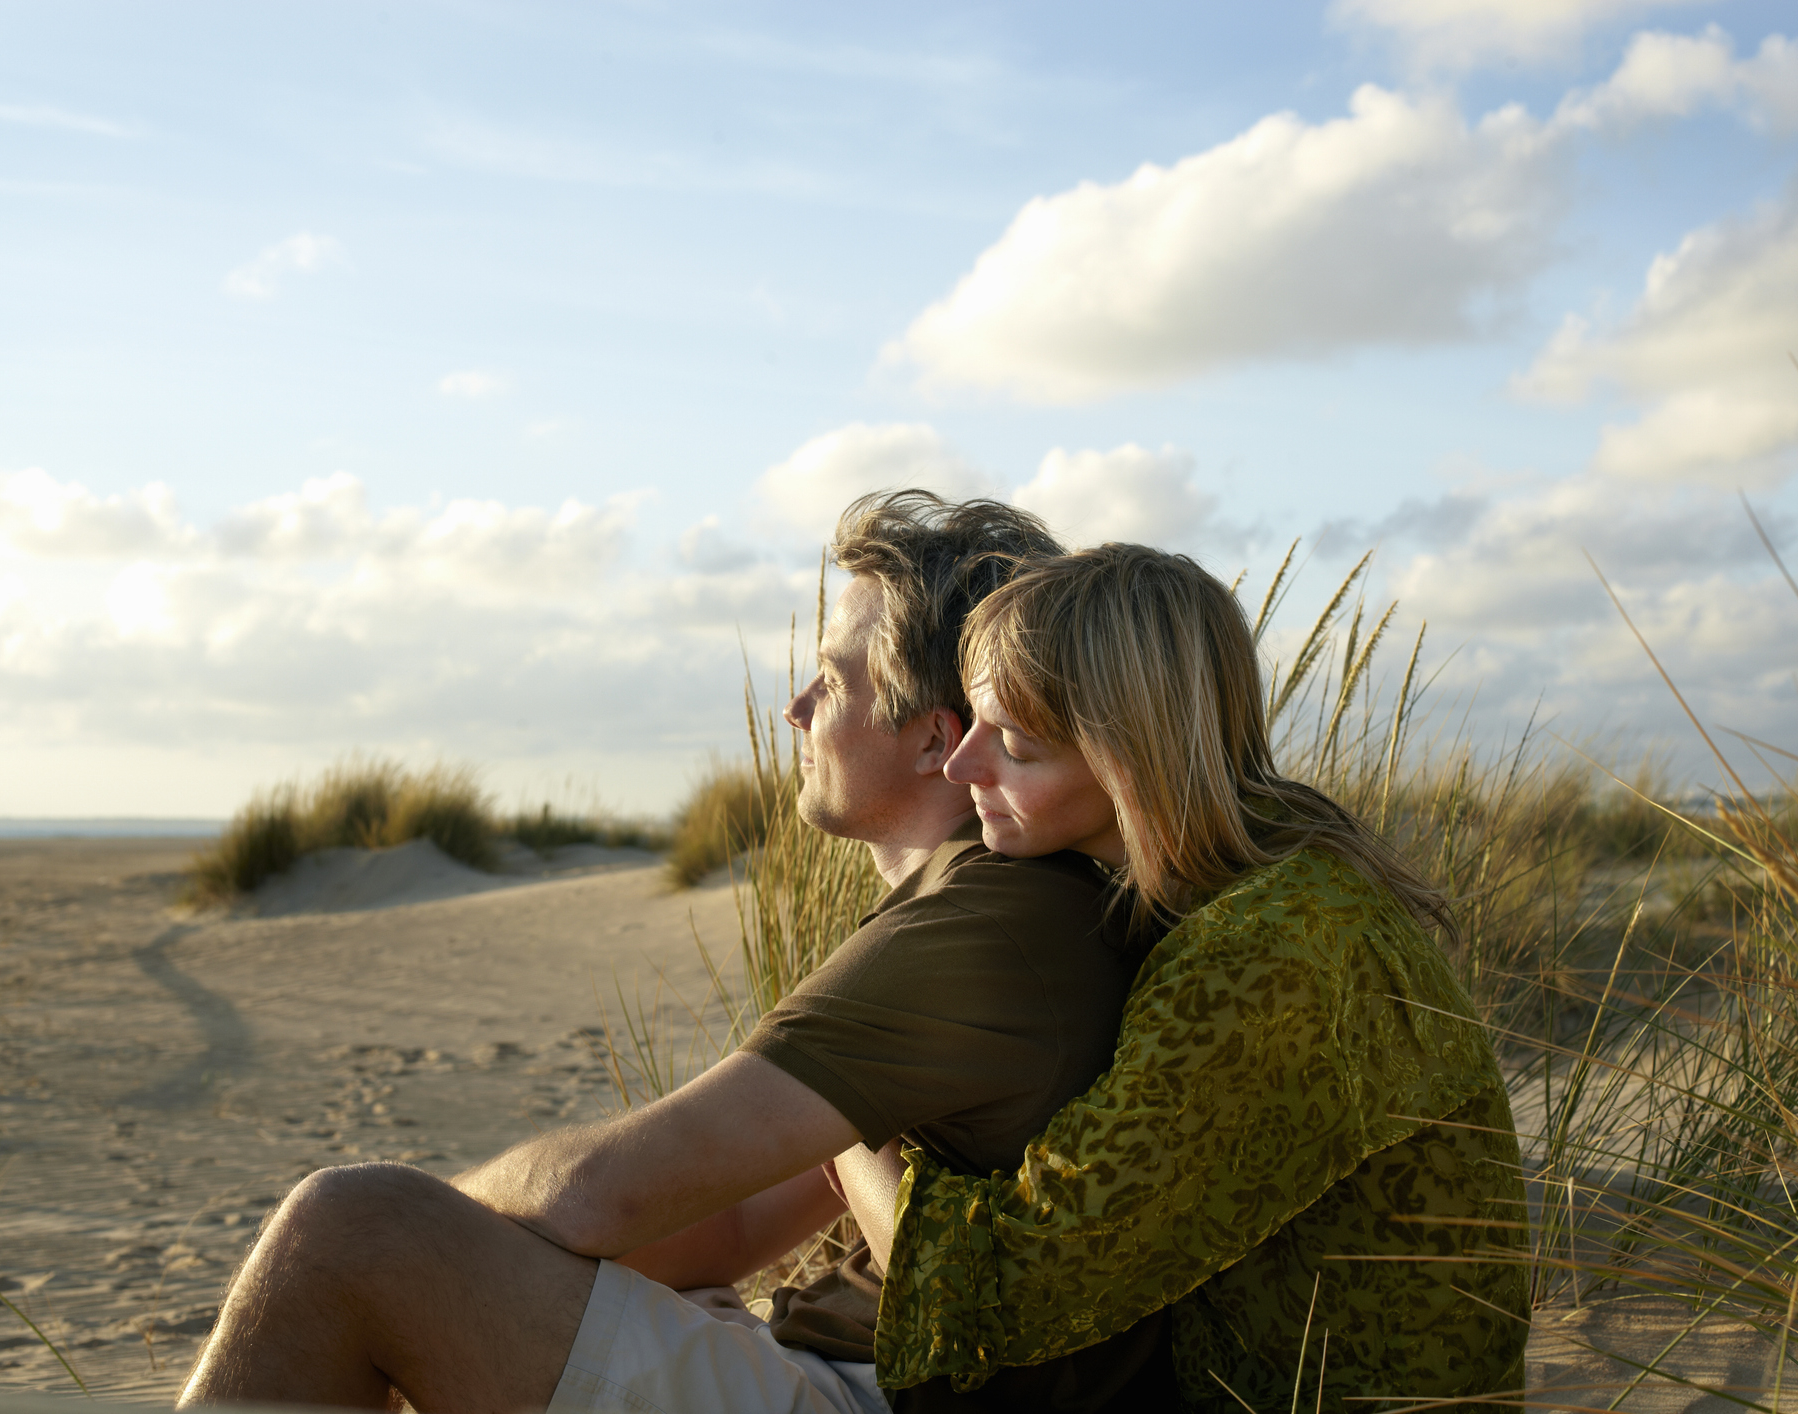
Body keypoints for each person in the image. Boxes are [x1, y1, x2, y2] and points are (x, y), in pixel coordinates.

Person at [177, 491, 1165, 1412]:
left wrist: (442, 1231)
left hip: (872, 1392)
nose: (797, 709)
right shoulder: (982, 909)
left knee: (350, 1229)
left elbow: (598, 1195)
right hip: (828, 1361)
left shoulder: (976, 928)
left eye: (832, 677)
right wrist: (500, 1275)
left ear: (930, 739)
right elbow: (728, 1226)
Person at [857, 544, 1530, 1413]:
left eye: (1015, 743)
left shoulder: (1265, 957)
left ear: (1130, 756)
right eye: (976, 725)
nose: (963, 765)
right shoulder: (1284, 871)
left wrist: (849, 1118)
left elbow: (1014, 1289)